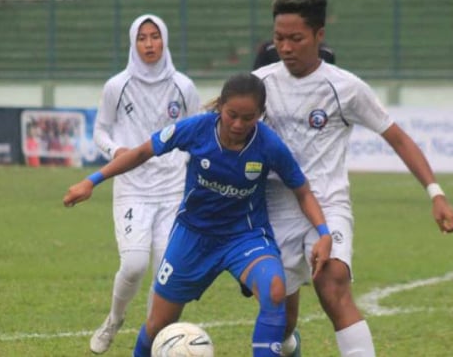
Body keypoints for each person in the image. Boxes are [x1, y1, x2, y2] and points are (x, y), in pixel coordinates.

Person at [252, 0, 453, 356]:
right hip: (276, 209)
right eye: (279, 38)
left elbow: (398, 138)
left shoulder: (345, 88)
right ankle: (288, 344)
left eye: (295, 39)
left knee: (333, 285)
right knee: (280, 312)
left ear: (319, 35)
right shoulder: (262, 84)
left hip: (328, 205)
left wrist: (436, 193)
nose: (285, 48)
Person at [63, 73, 333, 357]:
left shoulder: (269, 144)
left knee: (275, 290)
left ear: (261, 115)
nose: (238, 124)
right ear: (220, 107)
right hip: (193, 236)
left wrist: (324, 234)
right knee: (157, 324)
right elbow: (143, 151)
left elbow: (302, 191)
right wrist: (91, 181)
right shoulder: (197, 129)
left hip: (245, 236)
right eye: (232, 115)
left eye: (248, 117)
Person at [88, 14, 200, 354]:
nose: (149, 44)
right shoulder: (116, 86)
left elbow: (196, 135)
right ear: (133, 43)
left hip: (173, 190)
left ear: (165, 40)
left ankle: (153, 339)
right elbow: (100, 132)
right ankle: (113, 320)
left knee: (166, 272)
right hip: (133, 187)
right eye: (142, 38)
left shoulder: (183, 86)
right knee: (134, 265)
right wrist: (115, 150)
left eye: (155, 37)